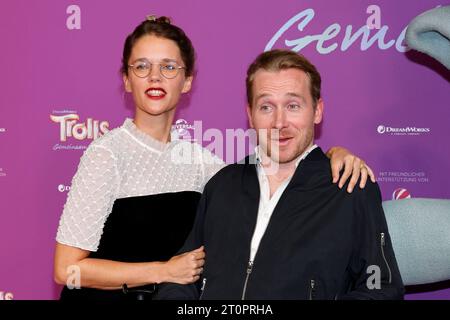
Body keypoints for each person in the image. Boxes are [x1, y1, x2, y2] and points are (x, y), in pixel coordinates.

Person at [53, 16, 375, 301]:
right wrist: (163, 272)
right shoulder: (106, 155)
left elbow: (272, 172)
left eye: (168, 67)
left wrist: (333, 155)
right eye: (141, 66)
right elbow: (66, 270)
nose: (155, 77)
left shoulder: (199, 161)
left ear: (187, 80)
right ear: (126, 79)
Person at [156, 50, 404, 300]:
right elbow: (180, 277)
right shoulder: (222, 185)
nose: (279, 122)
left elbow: (381, 286)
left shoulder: (350, 187)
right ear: (250, 114)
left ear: (317, 111)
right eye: (266, 107)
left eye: (293, 105)